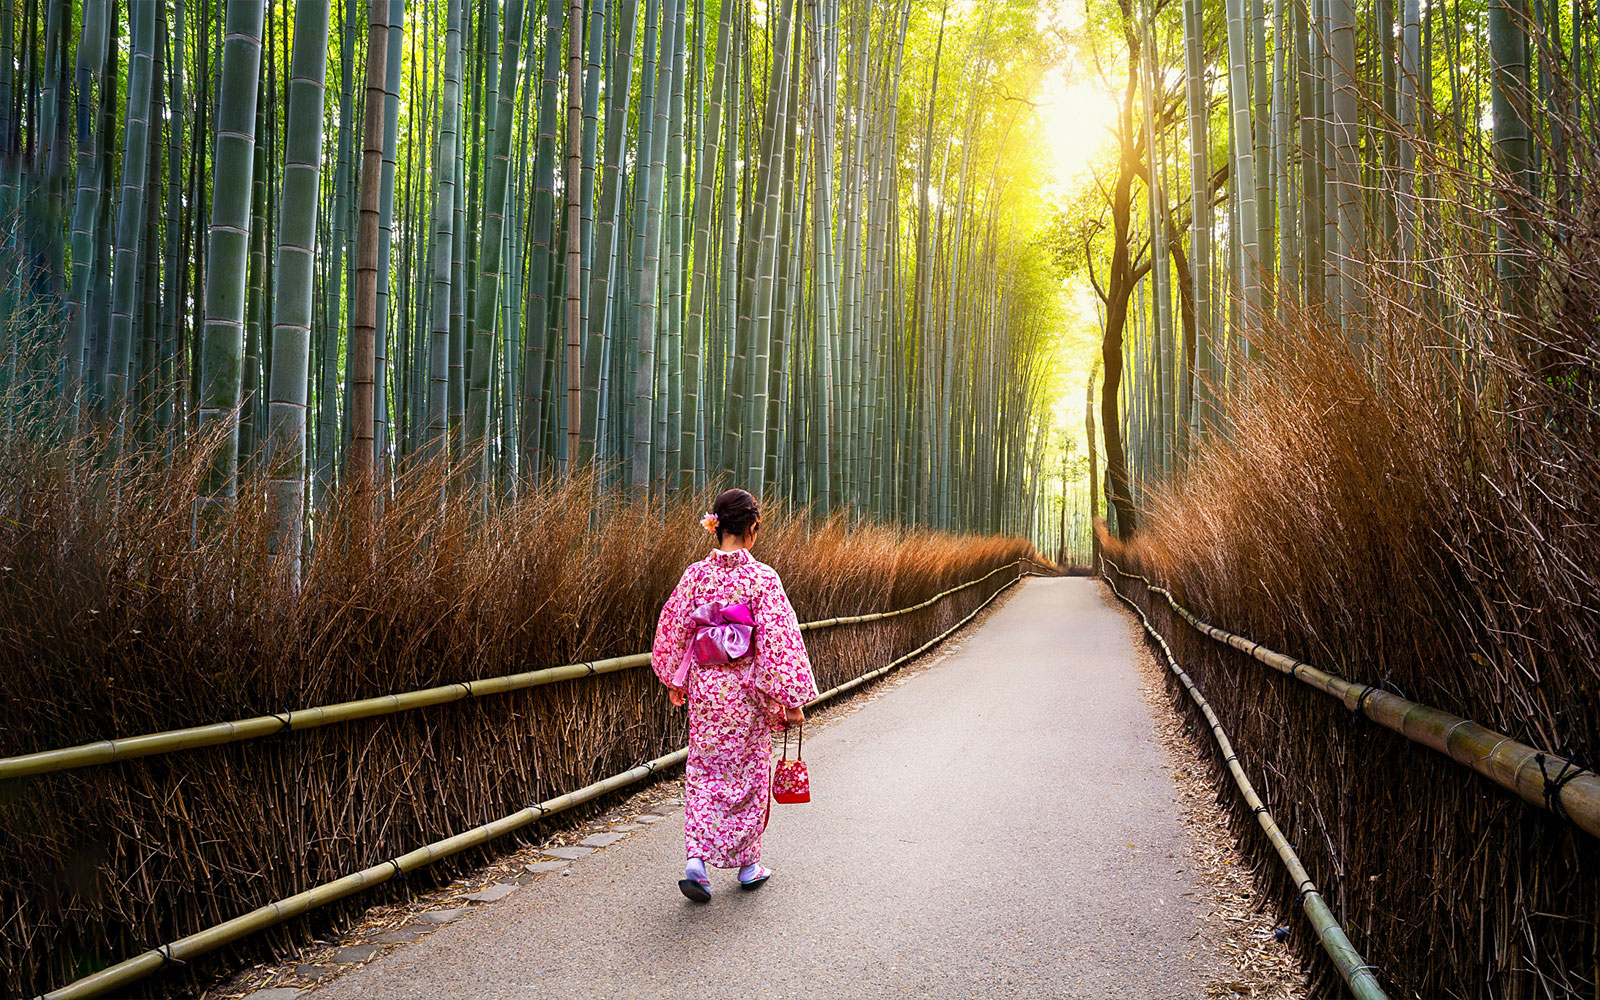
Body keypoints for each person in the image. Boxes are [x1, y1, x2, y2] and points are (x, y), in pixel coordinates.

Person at [650, 488, 819, 903]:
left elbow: (675, 630)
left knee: (704, 770)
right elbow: (779, 640)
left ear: (717, 525)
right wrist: (791, 700)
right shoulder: (762, 578)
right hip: (747, 693)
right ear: (752, 529)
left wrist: (676, 679)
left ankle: (696, 861)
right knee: (748, 774)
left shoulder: (695, 575)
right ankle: (748, 865)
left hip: (708, 691)